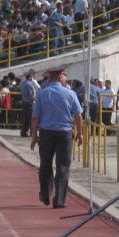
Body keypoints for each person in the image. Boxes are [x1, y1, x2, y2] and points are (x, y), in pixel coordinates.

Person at [30, 68, 83, 209]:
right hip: (64, 133)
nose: (66, 79)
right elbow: (78, 115)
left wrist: (34, 136)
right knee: (63, 166)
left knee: (45, 164)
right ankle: (59, 200)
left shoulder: (42, 94)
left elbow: (35, 118)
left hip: (46, 132)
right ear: (60, 76)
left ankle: (46, 193)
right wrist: (80, 133)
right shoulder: (70, 93)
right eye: (65, 76)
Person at [19, 69, 40, 137]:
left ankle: (24, 132)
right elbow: (32, 96)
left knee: (25, 119)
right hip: (29, 103)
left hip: (24, 102)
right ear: (30, 77)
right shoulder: (29, 85)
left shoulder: (22, 83)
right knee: (31, 119)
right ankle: (31, 133)